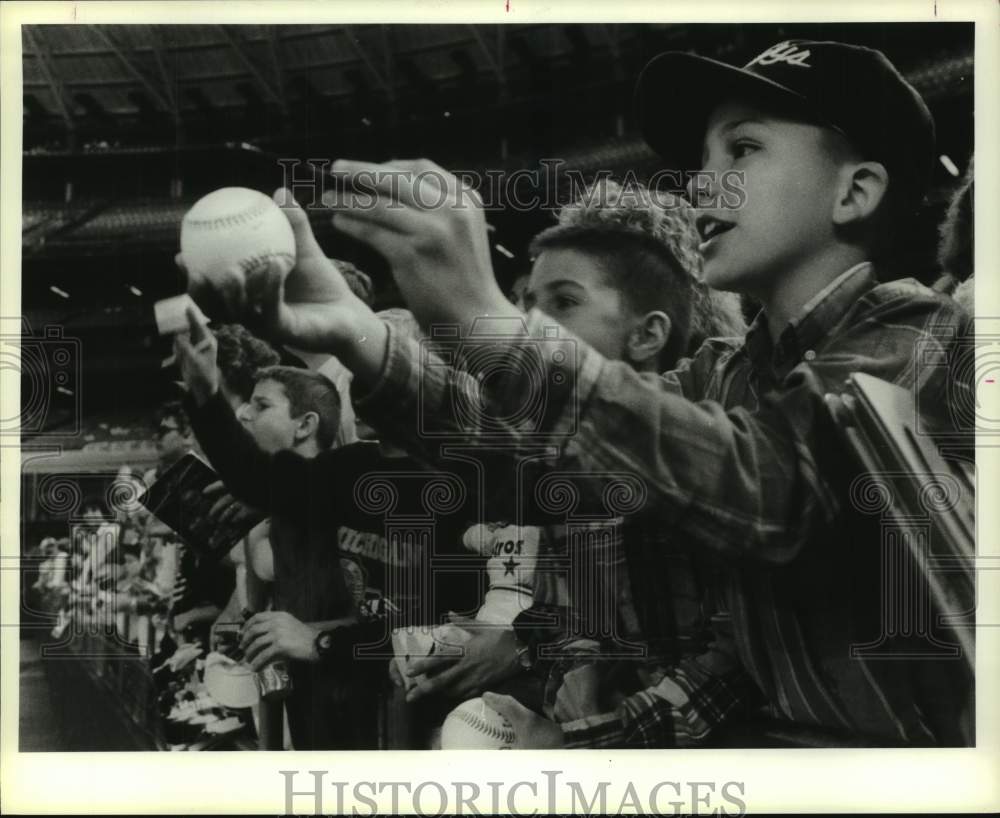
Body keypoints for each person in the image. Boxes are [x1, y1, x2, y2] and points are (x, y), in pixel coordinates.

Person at [245, 39, 972, 747]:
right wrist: (359, 340)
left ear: (855, 191)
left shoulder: (923, 333)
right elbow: (527, 457)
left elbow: (772, 488)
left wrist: (494, 324)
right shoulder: (724, 376)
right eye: (703, 158)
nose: (701, 182)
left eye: (742, 149)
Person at [173, 320, 480, 748]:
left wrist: (321, 639)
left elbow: (448, 629)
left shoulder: (468, 486)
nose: (362, 378)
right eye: (363, 366)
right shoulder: (353, 466)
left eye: (384, 367)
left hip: (422, 729)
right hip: (345, 710)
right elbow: (256, 475)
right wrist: (205, 392)